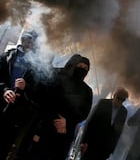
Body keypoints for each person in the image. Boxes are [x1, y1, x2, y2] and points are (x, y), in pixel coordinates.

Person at [29, 54, 93, 160]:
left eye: (85, 68)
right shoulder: (56, 75)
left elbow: (84, 113)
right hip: (44, 128)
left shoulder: (87, 91)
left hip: (64, 134)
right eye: (80, 66)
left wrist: (67, 121)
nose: (82, 69)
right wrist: (57, 118)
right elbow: (44, 99)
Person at [0, 30, 41, 160]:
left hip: (17, 115)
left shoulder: (38, 66)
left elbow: (38, 92)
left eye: (33, 41)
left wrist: (25, 88)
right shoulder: (7, 56)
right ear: (22, 40)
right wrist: (4, 90)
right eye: (28, 39)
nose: (30, 43)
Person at [81, 87, 129, 160]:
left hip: (105, 148)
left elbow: (118, 132)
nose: (120, 101)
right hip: (92, 143)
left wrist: (111, 149)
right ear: (114, 95)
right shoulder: (103, 103)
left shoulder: (123, 112)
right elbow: (91, 122)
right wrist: (84, 141)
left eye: (123, 99)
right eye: (119, 98)